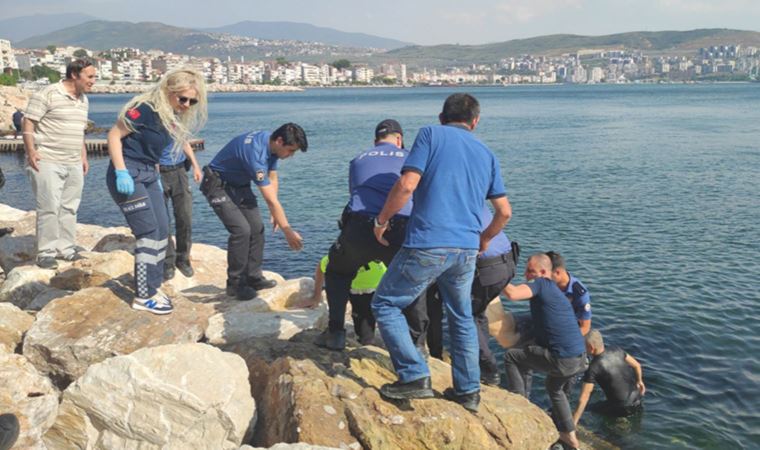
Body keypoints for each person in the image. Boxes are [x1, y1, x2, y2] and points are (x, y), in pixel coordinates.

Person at [371, 93, 511, 414]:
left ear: (441, 116)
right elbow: (503, 211)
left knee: (386, 302)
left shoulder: (430, 135)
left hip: (428, 243)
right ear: (474, 121)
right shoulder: (486, 153)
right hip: (466, 250)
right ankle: (468, 391)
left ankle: (414, 375)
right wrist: (486, 239)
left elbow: (407, 185)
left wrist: (381, 220)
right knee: (461, 316)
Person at [317, 119, 425, 351]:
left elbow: (354, 195)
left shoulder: (358, 159)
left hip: (360, 227)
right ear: (399, 139)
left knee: (337, 271)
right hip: (400, 229)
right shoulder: (412, 157)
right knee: (411, 282)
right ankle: (416, 345)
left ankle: (336, 333)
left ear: (375, 141)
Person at [106, 68, 208, 315]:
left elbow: (156, 149)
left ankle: (153, 284)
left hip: (150, 174)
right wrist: (121, 171)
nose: (186, 105)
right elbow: (114, 135)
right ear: (169, 91)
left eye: (192, 101)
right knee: (148, 233)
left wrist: (156, 174)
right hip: (129, 172)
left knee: (163, 230)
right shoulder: (145, 109)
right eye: (182, 98)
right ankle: (144, 295)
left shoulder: (170, 115)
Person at [201, 124, 308, 300]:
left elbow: (272, 177)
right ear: (280, 141)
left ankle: (253, 276)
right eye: (290, 150)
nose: (290, 155)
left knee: (257, 228)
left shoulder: (271, 144)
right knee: (241, 230)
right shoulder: (255, 154)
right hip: (217, 185)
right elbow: (270, 199)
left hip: (240, 186)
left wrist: (275, 212)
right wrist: (287, 230)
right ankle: (235, 284)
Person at [425, 205, 518, 386]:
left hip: (486, 267)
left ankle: (488, 369)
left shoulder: (447, 204)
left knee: (465, 315)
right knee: (478, 313)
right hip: (507, 263)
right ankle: (481, 364)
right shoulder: (474, 197)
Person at [502, 253, 588, 449]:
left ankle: (519, 404)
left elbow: (513, 294)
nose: (526, 274)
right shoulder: (556, 292)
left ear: (543, 272)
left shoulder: (540, 284)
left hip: (563, 359)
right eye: (526, 270)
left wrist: (499, 276)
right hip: (579, 358)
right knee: (554, 388)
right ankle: (570, 436)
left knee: (511, 357)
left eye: (530, 271)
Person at [22, 59, 96, 269]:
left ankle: (66, 248)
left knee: (70, 207)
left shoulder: (84, 100)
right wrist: (31, 151)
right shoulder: (48, 93)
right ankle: (46, 251)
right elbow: (28, 122)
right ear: (75, 75)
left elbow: (79, 131)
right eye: (90, 76)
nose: (93, 81)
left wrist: (83, 156)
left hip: (73, 161)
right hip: (48, 160)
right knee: (48, 207)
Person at [573, 329, 645, 425]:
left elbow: (584, 398)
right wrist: (639, 381)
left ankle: (619, 422)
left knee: (589, 409)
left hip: (621, 408)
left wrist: (573, 423)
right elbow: (637, 365)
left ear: (591, 348)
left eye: (584, 346)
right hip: (638, 400)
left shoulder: (594, 367)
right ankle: (622, 420)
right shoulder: (617, 350)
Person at [308, 255, 386, 345]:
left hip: (360, 290)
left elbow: (321, 267)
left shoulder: (340, 255)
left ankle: (336, 333)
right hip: (380, 283)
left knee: (363, 325)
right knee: (367, 323)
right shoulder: (374, 252)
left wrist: (316, 297)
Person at [159, 141, 202, 280]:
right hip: (157, 172)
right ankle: (167, 261)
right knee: (162, 220)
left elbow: (184, 143)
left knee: (185, 216)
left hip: (179, 171)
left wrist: (195, 166)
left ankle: (183, 258)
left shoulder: (176, 122)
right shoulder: (149, 122)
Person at [546, 251, 592, 336]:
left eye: (546, 274)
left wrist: (565, 339)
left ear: (557, 272)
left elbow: (585, 327)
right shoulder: (547, 285)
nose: (543, 278)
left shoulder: (579, 294)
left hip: (569, 330)